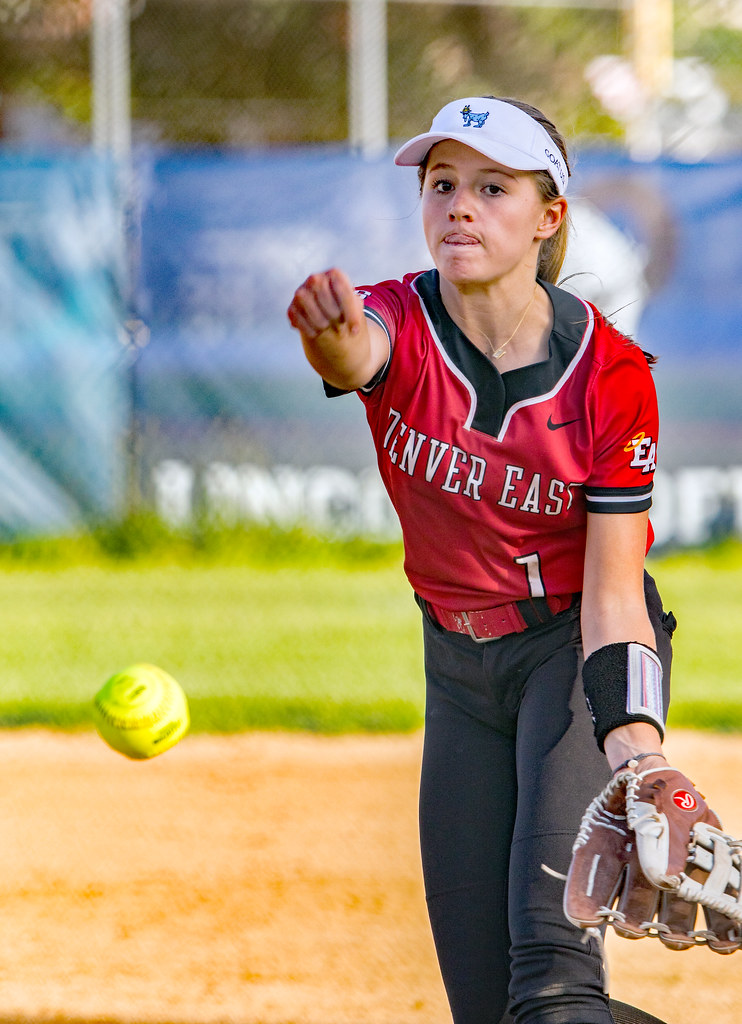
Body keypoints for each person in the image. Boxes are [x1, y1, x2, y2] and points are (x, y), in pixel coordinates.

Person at [286, 96, 678, 1024]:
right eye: (442, 183)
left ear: (547, 217)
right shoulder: (399, 317)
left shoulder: (611, 377)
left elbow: (616, 598)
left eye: (492, 186)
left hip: (572, 658)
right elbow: (357, 352)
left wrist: (638, 754)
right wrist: (328, 336)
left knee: (551, 988)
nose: (459, 205)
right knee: (488, 1012)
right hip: (457, 668)